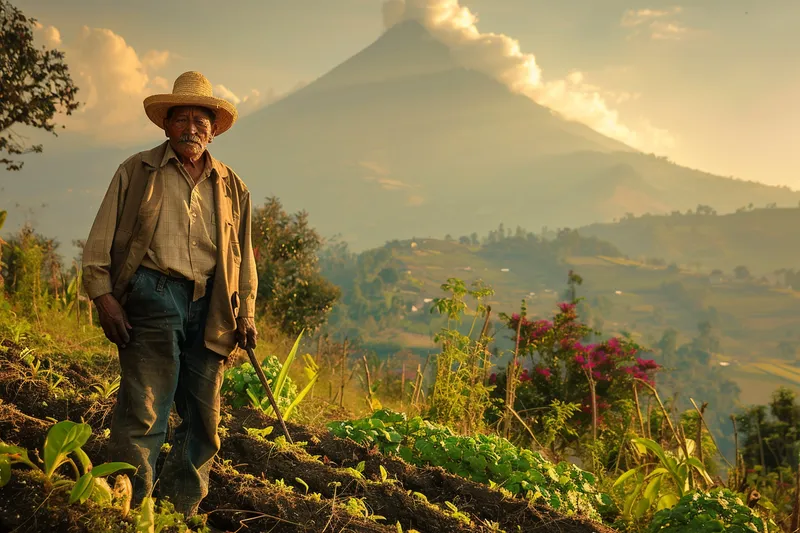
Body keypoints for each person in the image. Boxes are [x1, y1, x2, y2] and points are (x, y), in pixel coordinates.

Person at [82, 71, 258, 516]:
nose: (192, 128)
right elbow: (99, 241)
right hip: (153, 294)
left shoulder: (232, 186)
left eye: (202, 120)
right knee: (144, 408)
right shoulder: (137, 171)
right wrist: (104, 297)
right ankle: (125, 508)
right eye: (183, 118)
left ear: (214, 130)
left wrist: (247, 314)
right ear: (166, 125)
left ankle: (181, 512)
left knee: (204, 417)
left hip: (213, 304)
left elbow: (244, 258)